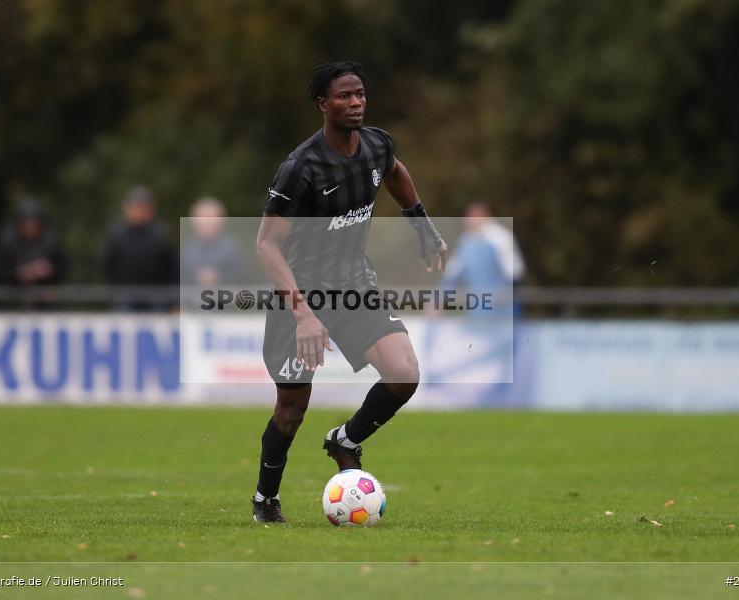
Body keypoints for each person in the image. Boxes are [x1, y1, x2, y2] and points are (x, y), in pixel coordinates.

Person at [251, 62, 448, 523]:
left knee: (404, 373)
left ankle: (345, 439)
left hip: (355, 287)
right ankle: (266, 498)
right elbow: (265, 243)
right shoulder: (300, 168)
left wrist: (419, 220)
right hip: (299, 297)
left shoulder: (377, 144)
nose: (355, 102)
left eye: (359, 94)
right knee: (292, 408)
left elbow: (395, 171)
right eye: (343, 96)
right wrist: (302, 315)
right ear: (323, 104)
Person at [441, 202, 526, 318]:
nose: (468, 221)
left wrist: (498, 299)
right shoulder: (466, 241)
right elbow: (452, 274)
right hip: (479, 309)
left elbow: (514, 273)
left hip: (503, 308)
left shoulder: (501, 238)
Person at [103, 186, 177, 311]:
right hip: (125, 296)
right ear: (126, 208)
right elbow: (108, 264)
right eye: (136, 207)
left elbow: (170, 266)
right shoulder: (116, 234)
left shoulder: (160, 234)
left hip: (156, 296)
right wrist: (115, 290)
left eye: (143, 207)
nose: (140, 212)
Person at [0, 196, 67, 286]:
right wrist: (17, 273)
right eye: (26, 224)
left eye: (34, 224)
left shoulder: (51, 241)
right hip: (11, 294)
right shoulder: (7, 241)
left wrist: (48, 270)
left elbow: (62, 267)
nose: (30, 228)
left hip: (44, 294)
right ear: (19, 223)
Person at [181, 196, 243, 289]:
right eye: (202, 217)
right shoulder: (186, 249)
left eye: (211, 216)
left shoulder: (232, 249)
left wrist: (219, 278)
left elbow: (241, 281)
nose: (207, 221)